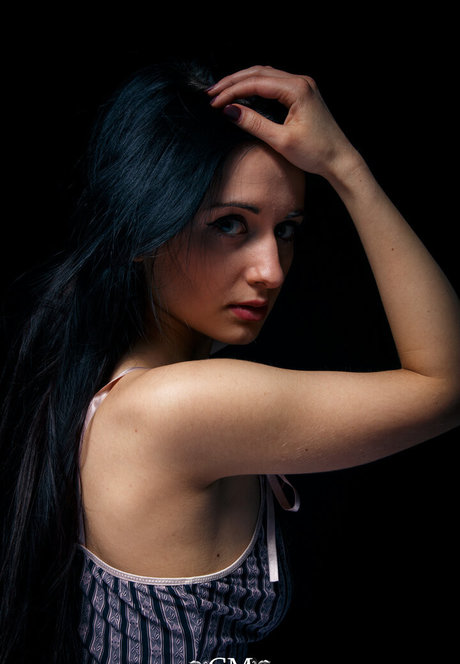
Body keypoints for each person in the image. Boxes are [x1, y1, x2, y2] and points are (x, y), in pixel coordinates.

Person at [1, 59, 459, 664]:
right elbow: (447, 385)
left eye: (286, 230)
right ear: (143, 230)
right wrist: (345, 166)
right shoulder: (173, 408)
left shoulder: (128, 395)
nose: (271, 271)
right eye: (230, 225)